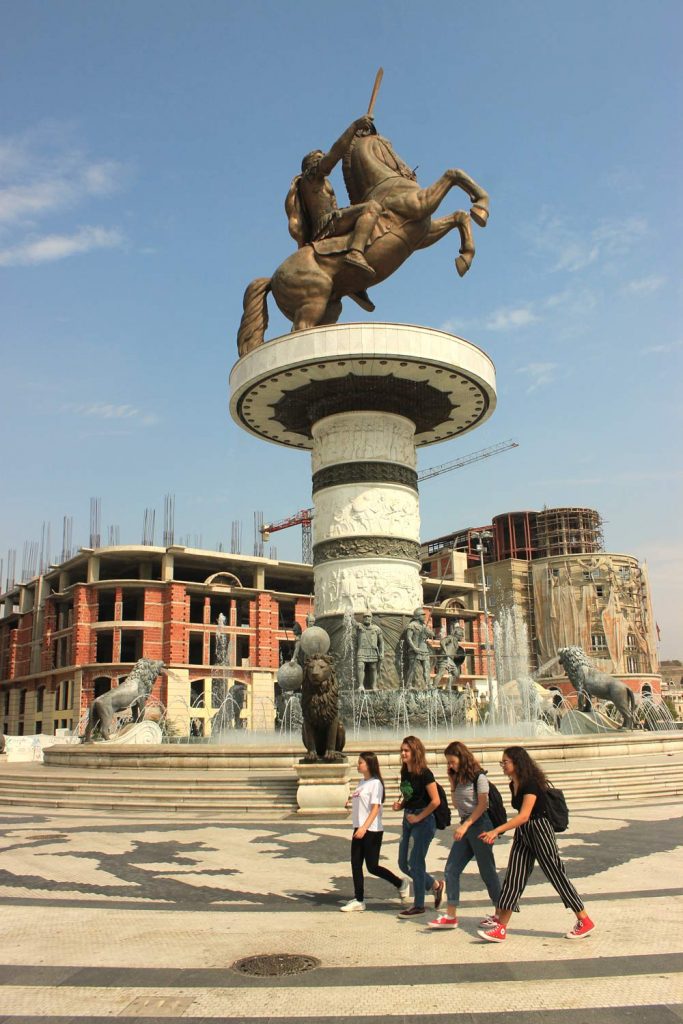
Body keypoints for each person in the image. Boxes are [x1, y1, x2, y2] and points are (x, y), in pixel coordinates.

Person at [477, 745, 595, 942]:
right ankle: (501, 927)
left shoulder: (531, 783)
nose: (502, 766)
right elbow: (522, 819)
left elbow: (524, 815)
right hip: (524, 833)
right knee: (514, 877)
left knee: (556, 874)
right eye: (502, 762)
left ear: (517, 762)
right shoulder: (514, 783)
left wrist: (497, 830)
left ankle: (584, 919)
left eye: (505, 762)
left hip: (540, 829)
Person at [285, 114, 382, 278]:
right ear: (309, 164)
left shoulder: (316, 181)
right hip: (326, 224)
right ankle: (355, 253)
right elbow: (334, 154)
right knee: (372, 207)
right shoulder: (310, 176)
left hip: (331, 220)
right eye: (318, 158)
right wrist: (354, 127)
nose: (322, 158)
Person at [428, 740, 501, 930]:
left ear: (461, 758)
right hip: (466, 825)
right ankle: (451, 916)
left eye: (452, 762)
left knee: (487, 871)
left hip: (480, 826)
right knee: (451, 869)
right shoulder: (458, 779)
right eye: (448, 763)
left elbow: (483, 805)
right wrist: (452, 784)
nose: (450, 766)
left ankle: (500, 913)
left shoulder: (479, 778)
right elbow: (457, 805)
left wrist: (466, 825)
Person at [341, 752, 409, 912]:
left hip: (372, 829)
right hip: (359, 827)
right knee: (355, 863)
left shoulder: (376, 783)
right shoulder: (361, 782)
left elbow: (375, 808)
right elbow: (362, 802)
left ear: (369, 765)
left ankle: (400, 883)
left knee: (372, 866)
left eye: (360, 763)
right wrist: (351, 802)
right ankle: (359, 899)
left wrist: (364, 828)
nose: (358, 765)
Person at [392, 735, 444, 918]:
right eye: (402, 750)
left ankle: (419, 905)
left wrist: (419, 816)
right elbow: (409, 795)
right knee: (403, 863)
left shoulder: (425, 774)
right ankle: (435, 886)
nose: (403, 753)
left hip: (424, 821)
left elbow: (435, 801)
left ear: (415, 752)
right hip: (408, 819)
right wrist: (401, 806)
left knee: (416, 862)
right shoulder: (405, 770)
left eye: (406, 750)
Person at [403, 608, 434, 690]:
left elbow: (432, 634)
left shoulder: (424, 626)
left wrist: (428, 632)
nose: (424, 616)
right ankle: (408, 684)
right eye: (422, 615)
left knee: (426, 668)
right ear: (417, 616)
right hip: (414, 650)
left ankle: (428, 684)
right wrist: (414, 648)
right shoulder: (412, 625)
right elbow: (408, 638)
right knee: (412, 668)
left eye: (424, 614)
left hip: (424, 649)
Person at [354, 612, 385, 691]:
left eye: (369, 616)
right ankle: (361, 685)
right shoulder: (359, 627)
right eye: (365, 616)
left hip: (373, 650)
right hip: (361, 650)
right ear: (363, 618)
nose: (367, 618)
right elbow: (352, 622)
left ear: (371, 618)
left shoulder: (376, 629)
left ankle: (374, 685)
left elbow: (381, 642)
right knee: (360, 667)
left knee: (373, 668)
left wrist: (381, 652)